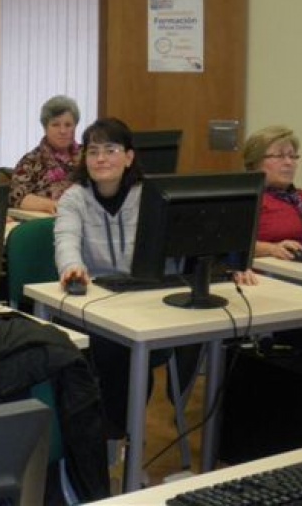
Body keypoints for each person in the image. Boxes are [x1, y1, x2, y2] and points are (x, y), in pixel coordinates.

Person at [53, 117, 257, 437]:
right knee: (117, 352)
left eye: (110, 150)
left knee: (192, 332)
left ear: (129, 157)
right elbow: (65, 240)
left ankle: (124, 439)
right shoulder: (74, 198)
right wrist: (71, 269)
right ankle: (114, 441)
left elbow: (191, 240)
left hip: (149, 298)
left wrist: (230, 264)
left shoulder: (152, 195)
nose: (101, 158)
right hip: (97, 300)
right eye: (93, 151)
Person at [242, 125, 302, 260]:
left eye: (292, 156)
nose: (289, 162)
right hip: (271, 275)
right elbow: (227, 245)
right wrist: (271, 249)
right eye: (279, 156)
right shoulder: (248, 199)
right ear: (255, 162)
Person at [8, 95, 81, 213]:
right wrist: (54, 205)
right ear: (45, 128)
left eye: (68, 125)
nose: (63, 131)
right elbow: (16, 197)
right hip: (47, 220)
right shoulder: (31, 160)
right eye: (55, 125)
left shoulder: (88, 156)